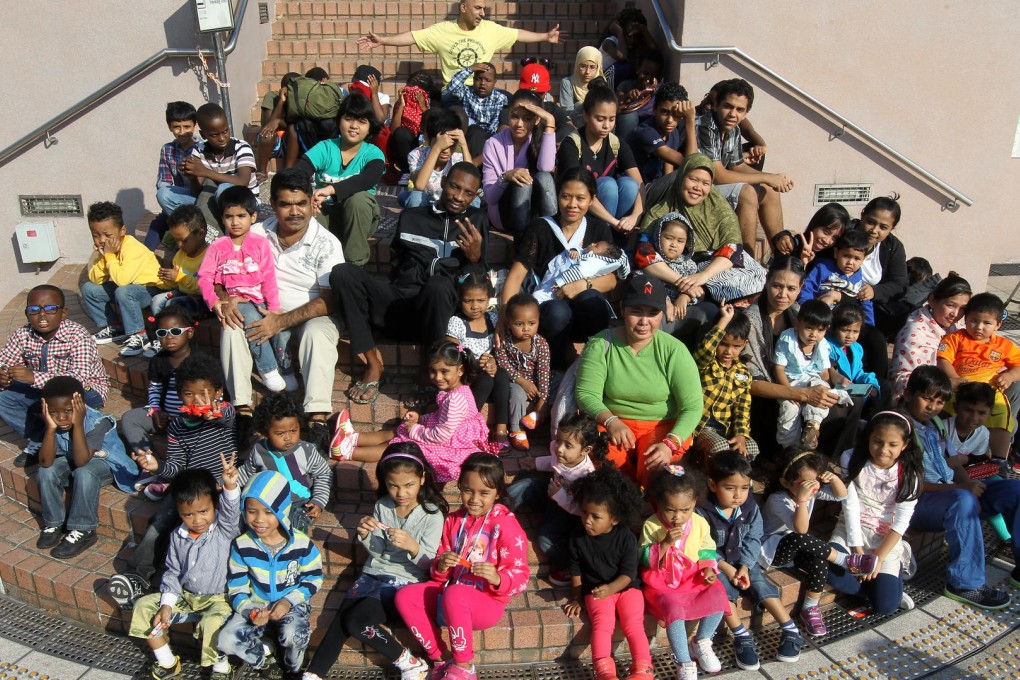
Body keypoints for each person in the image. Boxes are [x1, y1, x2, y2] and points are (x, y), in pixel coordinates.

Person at [329, 163, 487, 404]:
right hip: (401, 304)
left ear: (475, 196)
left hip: (440, 315)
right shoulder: (413, 217)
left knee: (438, 286)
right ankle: (373, 364)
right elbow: (396, 264)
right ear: (443, 182)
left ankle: (428, 368)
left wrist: (475, 259)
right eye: (455, 187)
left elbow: (479, 282)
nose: (459, 197)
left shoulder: (476, 221)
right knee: (343, 273)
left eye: (468, 193)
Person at [219, 168, 346, 443]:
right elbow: (218, 268)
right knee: (231, 326)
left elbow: (330, 300)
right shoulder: (254, 234)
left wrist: (281, 321)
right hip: (261, 310)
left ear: (313, 202)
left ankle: (317, 417)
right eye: (285, 204)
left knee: (317, 334)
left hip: (312, 313)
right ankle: (241, 411)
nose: (294, 211)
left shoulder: (327, 244)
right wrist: (224, 298)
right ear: (273, 205)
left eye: (301, 203)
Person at [302, 443, 447, 680]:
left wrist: (412, 545)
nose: (401, 493)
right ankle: (314, 674)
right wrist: (366, 535)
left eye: (409, 485)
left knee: (356, 620)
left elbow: (429, 565)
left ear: (422, 479)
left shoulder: (431, 514)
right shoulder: (383, 506)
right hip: (373, 575)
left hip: (404, 582)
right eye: (393, 486)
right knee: (343, 616)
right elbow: (378, 553)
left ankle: (409, 662)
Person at [108, 353, 236, 608]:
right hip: (189, 487)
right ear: (180, 395)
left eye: (205, 393)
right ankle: (138, 576)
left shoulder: (225, 414)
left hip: (221, 487)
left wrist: (215, 412)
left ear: (218, 392)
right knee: (160, 521)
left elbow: (226, 416)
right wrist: (158, 466)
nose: (198, 400)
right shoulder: (177, 426)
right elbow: (177, 467)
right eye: (189, 394)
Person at [394, 453, 530, 680]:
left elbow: (521, 577)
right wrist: (441, 565)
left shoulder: (506, 525)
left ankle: (464, 666)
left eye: (484, 493)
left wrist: (497, 578)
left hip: (486, 603)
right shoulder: (453, 520)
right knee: (405, 596)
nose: (474, 499)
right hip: (448, 597)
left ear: (498, 493)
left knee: (456, 593)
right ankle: (441, 659)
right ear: (459, 486)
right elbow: (437, 576)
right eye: (467, 490)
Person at [903, 366, 1020, 607]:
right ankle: (965, 584)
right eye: (926, 398)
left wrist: (968, 483)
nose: (932, 407)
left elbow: (953, 463)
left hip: (950, 491)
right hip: (920, 503)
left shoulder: (937, 422)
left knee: (1014, 490)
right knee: (963, 501)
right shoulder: (897, 428)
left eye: (938, 402)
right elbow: (907, 485)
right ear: (907, 394)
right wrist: (961, 491)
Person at [575, 274, 703, 487]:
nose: (644, 322)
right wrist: (611, 421)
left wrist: (669, 444)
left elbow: (693, 406)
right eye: (636, 312)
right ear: (623, 309)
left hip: (660, 426)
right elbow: (586, 394)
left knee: (656, 470)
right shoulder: (601, 343)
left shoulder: (674, 350)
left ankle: (657, 518)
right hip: (613, 424)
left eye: (653, 313)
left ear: (662, 314)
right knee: (611, 474)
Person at [127, 460, 240, 679]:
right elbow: (172, 571)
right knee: (143, 606)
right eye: (188, 514)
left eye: (203, 511)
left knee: (213, 623)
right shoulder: (177, 536)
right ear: (178, 512)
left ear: (215, 505)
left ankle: (221, 668)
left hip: (220, 600)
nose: (197, 520)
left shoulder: (225, 529)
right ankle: (168, 662)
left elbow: (232, 512)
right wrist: (167, 605)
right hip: (186, 597)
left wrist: (229, 486)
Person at [499, 170, 618, 368]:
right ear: (557, 196)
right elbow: (515, 276)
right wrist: (504, 317)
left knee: (593, 300)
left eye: (580, 198)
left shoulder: (599, 230)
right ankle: (553, 368)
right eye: (565, 196)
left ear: (591, 200)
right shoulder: (540, 228)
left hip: (584, 314)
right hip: (550, 315)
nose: (572, 205)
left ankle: (599, 363)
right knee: (558, 311)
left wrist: (582, 285)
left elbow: (612, 279)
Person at [697, 452, 806, 665]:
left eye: (744, 488)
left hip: (742, 559)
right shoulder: (703, 511)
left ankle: (790, 629)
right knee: (722, 592)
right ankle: (741, 635)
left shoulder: (750, 507)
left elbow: (754, 537)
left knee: (759, 583)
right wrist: (727, 569)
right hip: (715, 564)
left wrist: (745, 566)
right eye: (730, 488)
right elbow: (703, 546)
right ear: (712, 485)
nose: (738, 495)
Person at [640, 154, 766, 338]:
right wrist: (682, 281)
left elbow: (733, 249)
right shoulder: (659, 212)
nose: (698, 188)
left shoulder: (720, 208)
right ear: (682, 176)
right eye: (693, 179)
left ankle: (706, 296)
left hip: (713, 266)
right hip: (677, 267)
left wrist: (702, 277)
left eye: (705, 183)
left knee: (757, 274)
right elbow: (644, 254)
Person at [330, 341, 489, 483]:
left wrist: (414, 429)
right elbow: (441, 418)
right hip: (450, 438)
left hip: (450, 448)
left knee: (399, 444)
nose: (438, 377)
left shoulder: (455, 400)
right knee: (399, 430)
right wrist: (421, 419)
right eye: (433, 371)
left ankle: (346, 451)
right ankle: (354, 438)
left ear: (460, 370)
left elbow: (441, 435)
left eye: (444, 371)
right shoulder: (458, 391)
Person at [217, 470, 324, 677]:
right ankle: (264, 658)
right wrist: (249, 610)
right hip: (256, 604)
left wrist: (288, 601)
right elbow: (236, 587)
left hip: (291, 605)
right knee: (226, 640)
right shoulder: (241, 545)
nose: (258, 520)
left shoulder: (301, 544)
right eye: (251, 511)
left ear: (283, 510)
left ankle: (292, 668)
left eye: (268, 512)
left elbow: (314, 578)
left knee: (294, 635)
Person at [761, 450, 874, 637]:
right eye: (805, 484)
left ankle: (810, 607)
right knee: (801, 537)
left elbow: (841, 495)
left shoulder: (811, 492)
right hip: (772, 551)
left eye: (816, 483)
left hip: (798, 547)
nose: (813, 489)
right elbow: (801, 529)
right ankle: (846, 561)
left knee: (819, 559)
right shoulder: (778, 499)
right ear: (785, 482)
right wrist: (802, 500)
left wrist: (835, 479)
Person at [741, 257, 842, 458]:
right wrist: (799, 394)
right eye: (777, 286)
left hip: (801, 385)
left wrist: (834, 375)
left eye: (791, 288)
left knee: (842, 406)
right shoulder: (749, 321)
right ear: (767, 281)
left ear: (801, 287)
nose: (783, 295)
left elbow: (816, 355)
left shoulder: (799, 313)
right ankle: (788, 460)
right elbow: (749, 381)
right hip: (766, 397)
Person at [0, 285, 107, 468]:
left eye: (50, 309)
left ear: (64, 313)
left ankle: (70, 440)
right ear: (27, 314)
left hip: (86, 392)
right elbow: (4, 360)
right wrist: (3, 374)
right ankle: (41, 438)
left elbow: (78, 379)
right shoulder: (22, 334)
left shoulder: (78, 335)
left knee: (75, 394)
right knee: (2, 396)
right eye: (34, 310)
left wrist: (34, 377)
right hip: (44, 391)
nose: (42, 314)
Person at [828, 411, 923, 615]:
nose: (883, 450)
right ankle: (869, 590)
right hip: (851, 531)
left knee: (886, 608)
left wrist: (877, 558)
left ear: (904, 445)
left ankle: (891, 572)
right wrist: (857, 552)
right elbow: (850, 505)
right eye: (877, 441)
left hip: (884, 537)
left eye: (893, 445)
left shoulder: (910, 474)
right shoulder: (851, 458)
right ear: (868, 437)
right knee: (829, 569)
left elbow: (902, 520)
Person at [640, 466, 732, 676]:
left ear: (694, 504)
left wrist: (708, 569)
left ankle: (700, 641)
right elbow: (643, 557)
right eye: (670, 509)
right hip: (663, 582)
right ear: (659, 504)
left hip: (691, 576)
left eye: (685, 510)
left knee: (718, 595)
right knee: (674, 612)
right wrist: (664, 544)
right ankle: (683, 661)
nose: (678, 517)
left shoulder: (699, 522)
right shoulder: (651, 525)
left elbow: (707, 548)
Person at [562, 467, 652, 680]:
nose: (587, 520)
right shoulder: (577, 537)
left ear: (614, 519)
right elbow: (575, 570)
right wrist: (576, 597)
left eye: (596, 516)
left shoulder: (626, 538)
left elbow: (629, 573)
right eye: (584, 512)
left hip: (627, 589)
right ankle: (604, 672)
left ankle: (643, 669)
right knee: (602, 626)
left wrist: (611, 588)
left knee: (633, 624)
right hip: (595, 591)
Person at [198, 185, 289, 393]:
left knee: (280, 331)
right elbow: (204, 277)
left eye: (241, 216)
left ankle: (286, 369)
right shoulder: (217, 246)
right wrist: (214, 301)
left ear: (253, 216)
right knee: (252, 322)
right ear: (222, 218)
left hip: (261, 300)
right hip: (237, 302)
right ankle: (268, 368)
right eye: (229, 216)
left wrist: (274, 307)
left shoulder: (260, 244)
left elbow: (268, 277)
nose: (235, 222)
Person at [34, 376, 136, 559]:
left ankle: (84, 530)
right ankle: (54, 523)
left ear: (80, 405)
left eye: (68, 411)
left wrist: (78, 423)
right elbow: (45, 461)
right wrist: (49, 428)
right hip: (76, 457)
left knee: (84, 471)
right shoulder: (55, 421)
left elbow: (82, 461)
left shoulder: (97, 422)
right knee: (44, 471)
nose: (61, 418)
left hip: (107, 463)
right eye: (53, 412)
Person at [358, 0, 560, 90]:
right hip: (454, 93)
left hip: (482, 90)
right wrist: (383, 41)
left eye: (484, 9)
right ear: (463, 8)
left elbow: (517, 34)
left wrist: (545, 36)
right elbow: (412, 36)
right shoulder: (442, 30)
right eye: (478, 8)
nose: (483, 13)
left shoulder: (491, 29)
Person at [696, 79, 794, 252]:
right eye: (728, 106)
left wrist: (774, 179)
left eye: (740, 109)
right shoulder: (705, 125)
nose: (733, 114)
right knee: (747, 192)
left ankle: (780, 256)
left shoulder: (733, 129)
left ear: (746, 112)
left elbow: (737, 166)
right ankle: (746, 260)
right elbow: (718, 175)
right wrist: (767, 177)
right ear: (717, 104)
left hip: (713, 187)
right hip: (697, 189)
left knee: (769, 189)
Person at [507, 413, 603, 585]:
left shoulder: (586, 476)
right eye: (558, 440)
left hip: (567, 514)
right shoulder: (562, 454)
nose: (559, 448)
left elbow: (580, 509)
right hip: (551, 496)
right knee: (524, 485)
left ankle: (568, 566)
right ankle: (499, 511)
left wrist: (559, 496)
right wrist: (536, 463)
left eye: (568, 445)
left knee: (545, 538)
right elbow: (553, 462)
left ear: (585, 450)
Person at [292, 92, 385, 266]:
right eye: (349, 119)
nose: (354, 126)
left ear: (370, 127)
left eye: (362, 121)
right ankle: (313, 268)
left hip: (360, 219)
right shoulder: (326, 147)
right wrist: (310, 196)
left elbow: (368, 179)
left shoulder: (372, 153)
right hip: (326, 214)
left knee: (358, 199)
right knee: (306, 204)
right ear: (339, 120)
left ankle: (354, 267)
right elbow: (298, 173)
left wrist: (330, 190)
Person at [118, 307, 200, 499]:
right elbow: (154, 388)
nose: (169, 337)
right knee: (130, 418)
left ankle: (170, 475)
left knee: (188, 433)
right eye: (162, 333)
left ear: (189, 332)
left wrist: (188, 415)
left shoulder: (200, 360)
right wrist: (155, 409)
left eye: (176, 331)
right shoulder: (159, 360)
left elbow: (212, 395)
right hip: (164, 416)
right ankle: (149, 461)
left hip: (191, 419)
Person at [937, 292, 1020, 460]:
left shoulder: (1004, 345)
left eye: (987, 323)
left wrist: (1010, 375)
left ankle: (999, 460)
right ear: (965, 319)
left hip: (990, 391)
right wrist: (955, 378)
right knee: (945, 410)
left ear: (997, 325)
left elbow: (1018, 365)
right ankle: (942, 453)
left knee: (1002, 414)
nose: (979, 327)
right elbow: (943, 359)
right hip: (961, 388)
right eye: (974, 321)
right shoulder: (955, 338)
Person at [557, 85, 644, 241]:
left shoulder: (617, 144)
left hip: (614, 220)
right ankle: (600, 239)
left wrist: (635, 216)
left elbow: (639, 184)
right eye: (600, 119)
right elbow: (577, 190)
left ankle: (619, 242)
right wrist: (613, 222)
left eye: (612, 119)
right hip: (582, 209)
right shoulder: (572, 144)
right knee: (608, 185)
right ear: (585, 115)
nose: (606, 126)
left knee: (629, 184)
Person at [238, 392, 332, 534]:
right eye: (280, 434)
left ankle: (295, 543)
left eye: (294, 430)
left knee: (296, 523)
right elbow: (246, 473)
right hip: (268, 501)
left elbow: (324, 474)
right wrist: (227, 483)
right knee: (248, 520)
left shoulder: (307, 450)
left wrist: (318, 500)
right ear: (265, 431)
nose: (288, 438)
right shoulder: (259, 450)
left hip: (299, 502)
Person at [79, 201, 163, 356]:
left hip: (149, 290)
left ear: (122, 230)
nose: (102, 240)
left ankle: (140, 334)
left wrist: (109, 256)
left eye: (108, 235)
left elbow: (122, 280)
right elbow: (96, 279)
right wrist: (105, 257)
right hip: (127, 291)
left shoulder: (132, 248)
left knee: (123, 291)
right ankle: (115, 326)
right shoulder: (107, 250)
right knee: (89, 289)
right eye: (96, 235)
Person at [839, 196, 909, 373]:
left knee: (876, 340)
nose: (874, 230)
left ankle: (878, 389)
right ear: (862, 215)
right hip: (837, 300)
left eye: (883, 227)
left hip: (866, 308)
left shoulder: (893, 247)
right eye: (871, 222)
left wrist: (875, 291)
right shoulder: (843, 234)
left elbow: (900, 284)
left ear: (891, 229)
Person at [481, 90, 557, 238]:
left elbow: (546, 169)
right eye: (514, 117)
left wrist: (550, 121)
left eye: (527, 119)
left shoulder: (542, 139)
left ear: (536, 120)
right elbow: (490, 198)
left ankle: (552, 234)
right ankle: (521, 241)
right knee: (523, 181)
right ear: (508, 114)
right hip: (505, 214)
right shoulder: (492, 143)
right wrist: (506, 176)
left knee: (544, 177)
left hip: (535, 213)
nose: (519, 124)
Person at [691, 301, 759, 460]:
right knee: (719, 447)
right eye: (723, 344)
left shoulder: (743, 373)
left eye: (736, 346)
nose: (729, 351)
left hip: (725, 429)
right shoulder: (705, 363)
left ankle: (739, 480)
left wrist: (741, 434)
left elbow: (743, 408)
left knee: (751, 448)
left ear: (744, 345)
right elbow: (707, 348)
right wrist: (724, 320)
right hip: (700, 428)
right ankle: (710, 478)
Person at [445, 270, 508, 441]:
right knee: (486, 380)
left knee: (502, 375)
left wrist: (493, 360)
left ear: (489, 299)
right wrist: (473, 362)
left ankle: (501, 428)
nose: (475, 306)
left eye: (481, 300)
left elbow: (498, 348)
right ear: (460, 299)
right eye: (468, 301)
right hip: (467, 375)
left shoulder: (493, 319)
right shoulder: (457, 322)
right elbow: (451, 355)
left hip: (488, 371)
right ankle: (468, 423)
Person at [890, 274, 971, 400]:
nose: (955, 314)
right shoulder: (915, 333)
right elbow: (904, 381)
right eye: (950, 305)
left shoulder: (956, 328)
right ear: (932, 300)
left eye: (963, 308)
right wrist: (947, 384)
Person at [773, 300, 840, 449]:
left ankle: (812, 426)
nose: (813, 335)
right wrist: (789, 393)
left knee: (822, 391)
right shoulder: (787, 339)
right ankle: (790, 448)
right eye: (809, 328)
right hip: (790, 381)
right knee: (790, 410)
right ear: (798, 324)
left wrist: (830, 389)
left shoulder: (822, 345)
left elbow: (824, 373)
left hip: (812, 379)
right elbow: (778, 369)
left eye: (820, 330)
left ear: (826, 330)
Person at [182, 103, 257, 231]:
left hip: (244, 203)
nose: (222, 138)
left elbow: (243, 181)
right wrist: (192, 177)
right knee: (165, 194)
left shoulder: (241, 147)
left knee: (223, 189)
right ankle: (199, 232)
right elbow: (198, 192)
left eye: (225, 131)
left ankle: (222, 236)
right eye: (214, 135)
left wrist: (206, 172)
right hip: (211, 200)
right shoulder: (198, 150)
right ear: (203, 135)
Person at [495, 294, 550, 450]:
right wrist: (521, 381)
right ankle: (516, 429)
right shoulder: (504, 340)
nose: (526, 329)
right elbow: (502, 363)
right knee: (517, 393)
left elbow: (543, 372)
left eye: (532, 323)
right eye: (519, 324)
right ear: (508, 323)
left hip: (535, 384)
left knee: (557, 380)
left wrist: (542, 399)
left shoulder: (541, 344)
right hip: (514, 382)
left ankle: (537, 413)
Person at [400, 109, 473, 208]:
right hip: (425, 205)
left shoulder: (458, 158)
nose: (446, 151)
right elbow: (420, 186)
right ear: (428, 140)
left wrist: (464, 145)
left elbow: (471, 182)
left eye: (451, 145)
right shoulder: (417, 155)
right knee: (414, 197)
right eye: (442, 145)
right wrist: (437, 148)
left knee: (474, 200)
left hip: (450, 206)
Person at [799, 230, 873, 326]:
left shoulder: (859, 281)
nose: (850, 262)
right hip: (818, 319)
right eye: (846, 256)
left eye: (857, 258)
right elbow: (807, 288)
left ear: (864, 259)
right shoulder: (823, 268)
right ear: (836, 253)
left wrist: (868, 327)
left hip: (845, 327)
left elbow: (866, 304)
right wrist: (808, 310)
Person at [627, 82, 697, 183]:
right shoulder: (646, 132)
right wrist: (690, 120)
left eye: (675, 114)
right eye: (664, 112)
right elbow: (691, 163)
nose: (669, 120)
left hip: (656, 186)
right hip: (637, 188)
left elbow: (668, 171)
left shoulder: (673, 133)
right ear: (654, 110)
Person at [150, 205, 210, 324]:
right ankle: (163, 332)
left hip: (202, 300)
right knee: (157, 300)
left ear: (201, 234)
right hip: (183, 293)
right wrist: (166, 278)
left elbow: (205, 288)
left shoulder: (210, 255)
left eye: (184, 240)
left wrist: (178, 277)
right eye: (176, 240)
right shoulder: (180, 255)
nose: (179, 245)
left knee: (174, 305)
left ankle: (177, 332)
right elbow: (176, 283)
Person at [533, 240, 629, 306]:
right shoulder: (588, 255)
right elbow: (580, 250)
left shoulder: (593, 262)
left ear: (604, 256)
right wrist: (575, 251)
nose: (592, 243)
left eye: (596, 246)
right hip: (554, 283)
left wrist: (560, 282)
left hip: (560, 287)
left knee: (537, 297)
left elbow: (578, 272)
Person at [447, 62, 508, 157]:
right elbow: (452, 88)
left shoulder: (500, 98)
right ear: (473, 79)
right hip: (468, 134)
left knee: (479, 134)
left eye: (488, 80)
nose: (482, 83)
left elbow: (495, 123)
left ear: (494, 82)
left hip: (489, 136)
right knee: (475, 131)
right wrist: (469, 69)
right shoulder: (467, 92)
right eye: (479, 79)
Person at [826, 301, 882, 399]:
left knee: (884, 388)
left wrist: (871, 383)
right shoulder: (827, 347)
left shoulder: (856, 348)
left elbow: (858, 372)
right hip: (834, 391)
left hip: (852, 390)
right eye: (844, 330)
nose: (850, 336)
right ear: (833, 328)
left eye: (855, 331)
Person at [155, 102, 199, 224]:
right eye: (176, 127)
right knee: (163, 195)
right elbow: (164, 183)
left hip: (204, 196)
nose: (182, 132)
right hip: (184, 198)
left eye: (186, 126)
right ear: (170, 127)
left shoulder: (203, 147)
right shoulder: (168, 149)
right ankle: (186, 227)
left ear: (195, 125)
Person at [773, 202, 849, 268]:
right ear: (815, 224)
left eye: (835, 238)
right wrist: (801, 263)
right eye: (826, 232)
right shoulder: (792, 246)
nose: (827, 241)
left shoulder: (833, 257)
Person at [255, 72, 301, 179]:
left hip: (293, 142)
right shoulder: (272, 97)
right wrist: (281, 102)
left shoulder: (301, 100)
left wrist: (279, 122)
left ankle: (287, 173)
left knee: (292, 129)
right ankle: (262, 171)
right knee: (266, 134)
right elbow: (267, 124)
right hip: (274, 142)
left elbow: (299, 124)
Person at [559, 46, 604, 127]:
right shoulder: (567, 83)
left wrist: (578, 106)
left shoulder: (601, 84)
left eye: (592, 67)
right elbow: (567, 114)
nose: (587, 72)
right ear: (577, 65)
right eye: (583, 66)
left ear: (598, 68)